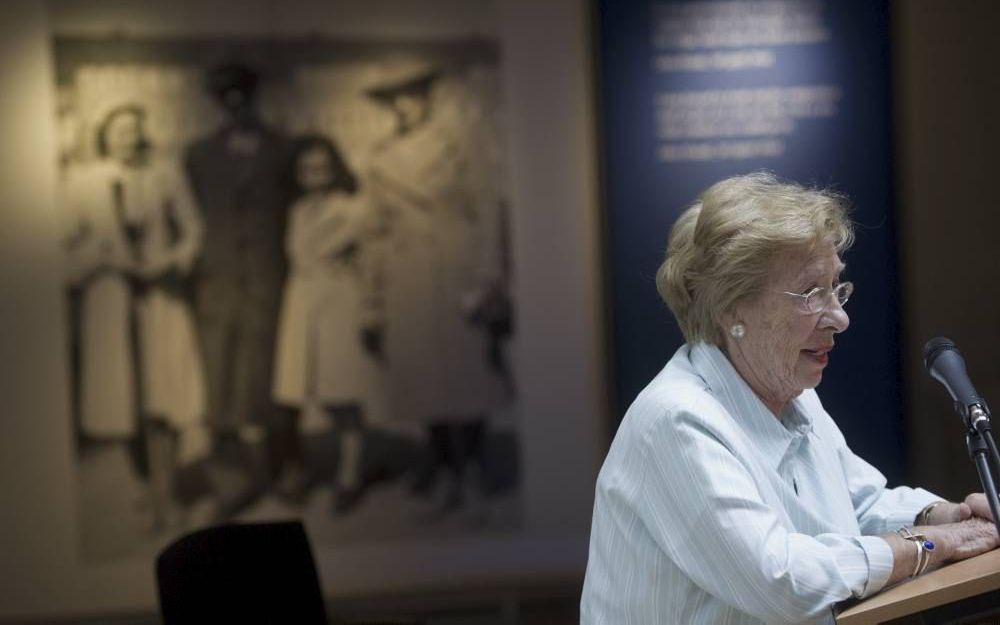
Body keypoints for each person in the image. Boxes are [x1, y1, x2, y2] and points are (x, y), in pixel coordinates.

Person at [580, 172, 999, 624]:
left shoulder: (792, 395)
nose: (839, 318)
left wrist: (945, 515)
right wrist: (934, 545)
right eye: (808, 294)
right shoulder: (675, 422)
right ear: (730, 308)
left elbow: (857, 505)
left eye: (836, 287)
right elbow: (782, 581)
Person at [364, 63, 511, 520]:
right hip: (405, 275)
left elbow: (486, 213)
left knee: (467, 373)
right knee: (422, 380)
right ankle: (444, 467)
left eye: (413, 93)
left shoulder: (459, 145)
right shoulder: (380, 155)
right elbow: (373, 231)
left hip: (455, 270)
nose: (404, 104)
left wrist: (487, 277)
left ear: (428, 96)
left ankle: (472, 470)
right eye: (395, 97)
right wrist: (373, 295)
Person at [64, 103, 206, 532]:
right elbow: (62, 248)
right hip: (110, 299)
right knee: (124, 401)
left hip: (160, 297)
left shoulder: (165, 174)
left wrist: (172, 261)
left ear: (143, 135)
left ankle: (171, 490)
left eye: (134, 130)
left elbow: (194, 229)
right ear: (104, 136)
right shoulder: (80, 182)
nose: (127, 137)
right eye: (118, 130)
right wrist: (102, 258)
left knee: (166, 395)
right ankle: (146, 487)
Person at [184, 62, 291, 519]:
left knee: (271, 379)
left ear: (255, 96)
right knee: (220, 382)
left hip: (271, 281)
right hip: (216, 284)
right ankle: (229, 483)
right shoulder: (198, 154)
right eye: (226, 97)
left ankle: (282, 470)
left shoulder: (283, 149)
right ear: (217, 102)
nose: (235, 104)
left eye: (243, 95)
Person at [271, 134, 380, 511]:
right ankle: (303, 474)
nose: (314, 175)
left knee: (343, 390)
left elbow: (369, 261)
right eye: (306, 169)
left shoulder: (352, 208)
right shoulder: (296, 210)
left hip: (339, 300)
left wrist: (370, 307)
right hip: (301, 301)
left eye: (321, 167)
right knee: (302, 390)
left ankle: (349, 474)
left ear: (334, 169)